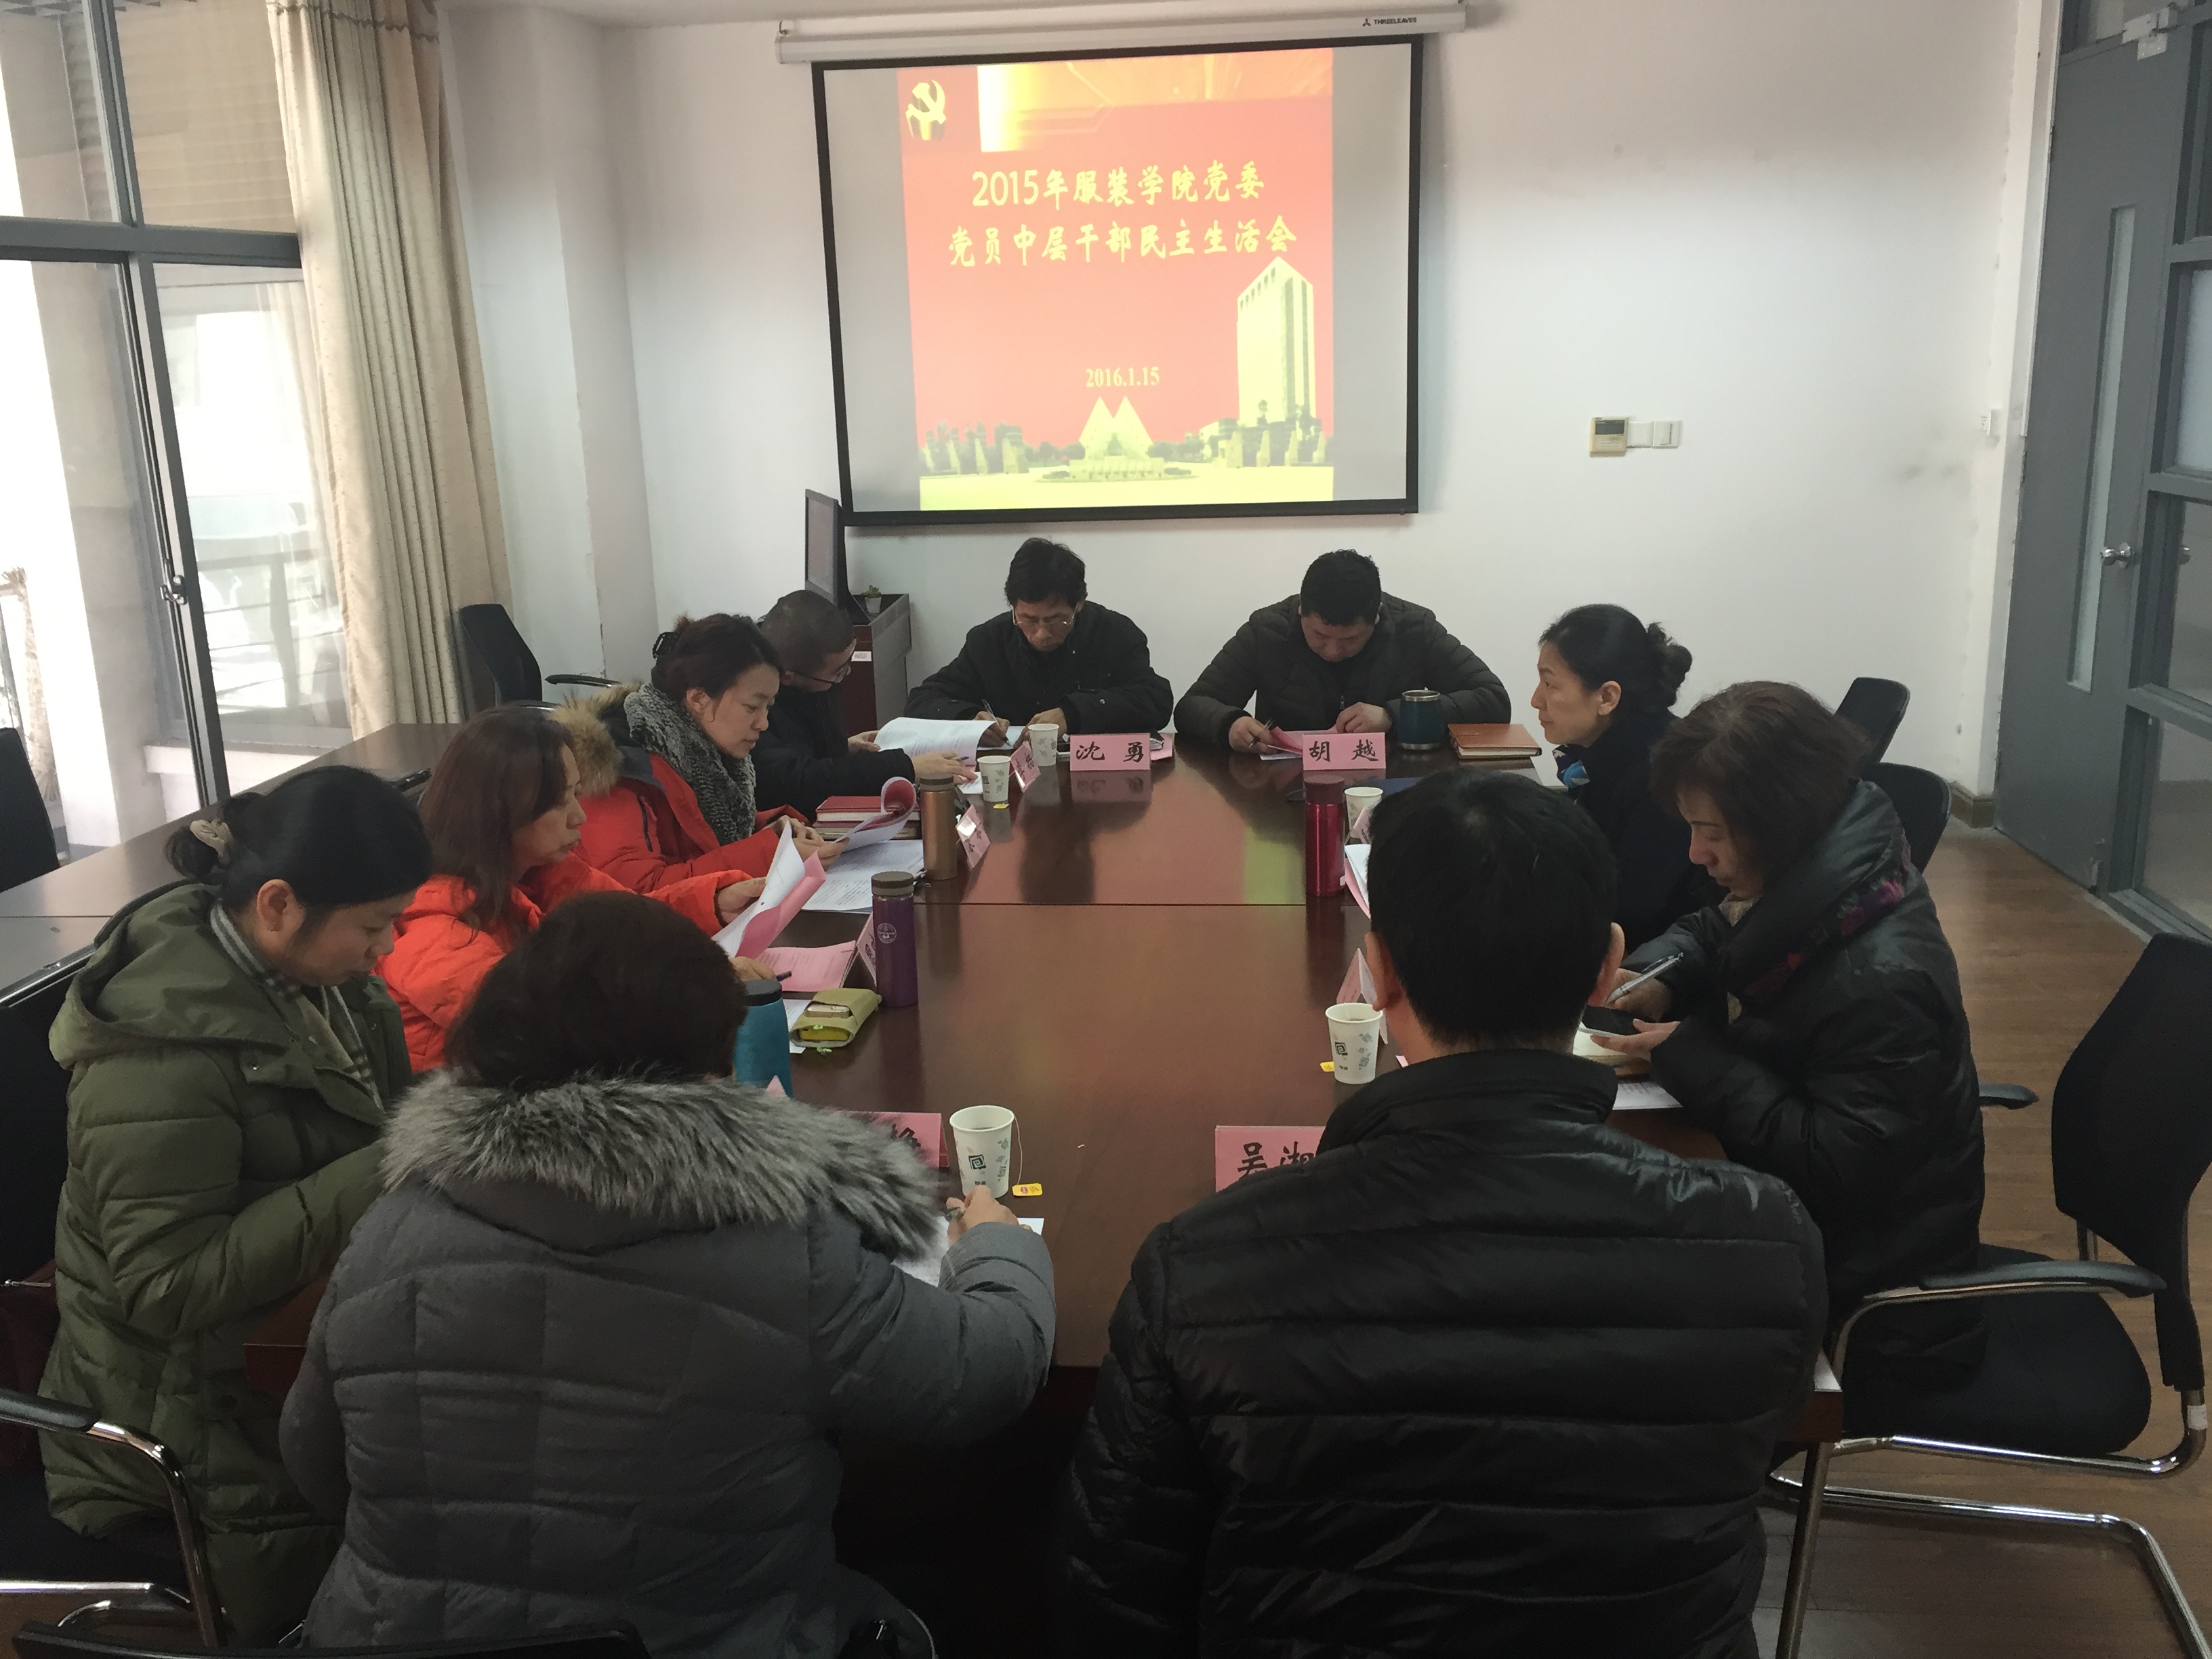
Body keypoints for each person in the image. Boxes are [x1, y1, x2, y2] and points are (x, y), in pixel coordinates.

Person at [1056, 769, 1826, 1658]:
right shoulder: (1764, 1242)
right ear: (1607, 967)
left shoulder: (1201, 1271)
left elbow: (1116, 1595)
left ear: (1378, 973)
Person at [283, 891, 1054, 1659]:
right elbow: (985, 1371)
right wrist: (997, 1244)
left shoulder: (389, 1229)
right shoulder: (783, 1252)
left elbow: (317, 1465)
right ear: (707, 1069)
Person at [41, 766, 430, 1640]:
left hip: (290, 1352)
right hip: (187, 1426)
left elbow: (374, 1130)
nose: (389, 947)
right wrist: (394, 1158)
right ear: (280, 904)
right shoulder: (158, 1054)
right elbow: (167, 1288)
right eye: (375, 924)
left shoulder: (328, 983)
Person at [1597, 680, 1986, 1422]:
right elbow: (1718, 930)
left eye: (1710, 831)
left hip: (1865, 1298)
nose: (1695, 853)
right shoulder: (1822, 878)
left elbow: (1834, 1167)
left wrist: (1694, 1057)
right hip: (1797, 1230)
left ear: (1777, 823)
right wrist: (1658, 974)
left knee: (1608, 1307)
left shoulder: (1883, 979)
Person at [380, 707, 767, 1071]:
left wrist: (714, 902)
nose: (579, 816)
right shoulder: (431, 925)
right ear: (501, 810)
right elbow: (542, 1023)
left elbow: (634, 929)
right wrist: (699, 984)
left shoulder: (545, 874)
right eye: (559, 802)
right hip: (485, 1105)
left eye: (576, 794)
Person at [554, 613, 842, 899]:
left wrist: (774, 831)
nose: (763, 723)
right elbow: (639, 892)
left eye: (769, 707)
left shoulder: (702, 750)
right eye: (751, 707)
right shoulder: (621, 769)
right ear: (699, 699)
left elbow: (702, 837)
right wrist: (770, 853)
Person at [1174, 548, 1509, 751]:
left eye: (1350, 640)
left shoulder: (1413, 628)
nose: (1333, 650)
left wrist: (1393, 716)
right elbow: (1193, 706)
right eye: (1319, 635)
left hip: (1391, 783)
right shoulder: (1267, 630)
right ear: (1301, 610)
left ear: (1376, 617)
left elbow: (1492, 699)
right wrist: (1230, 724)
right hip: (1283, 788)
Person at [1532, 603, 1720, 949]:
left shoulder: (1664, 775)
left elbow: (1628, 912)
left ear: (1607, 697)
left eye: (1549, 683)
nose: (1535, 700)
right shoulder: (1607, 751)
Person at [904, 538, 1172, 737]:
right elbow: (922, 699)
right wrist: (969, 719)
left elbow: (1155, 699)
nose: (1041, 634)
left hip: (1096, 774)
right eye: (1028, 619)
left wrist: (1072, 714)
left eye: (1056, 620)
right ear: (1013, 606)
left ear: (1080, 603)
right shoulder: (988, 642)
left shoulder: (1115, 634)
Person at [754, 588, 972, 818]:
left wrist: (841, 748)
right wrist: (906, 767)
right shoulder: (755, 703)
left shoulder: (811, 679)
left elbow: (804, 751)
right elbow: (796, 780)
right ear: (788, 676)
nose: (847, 673)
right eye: (838, 672)